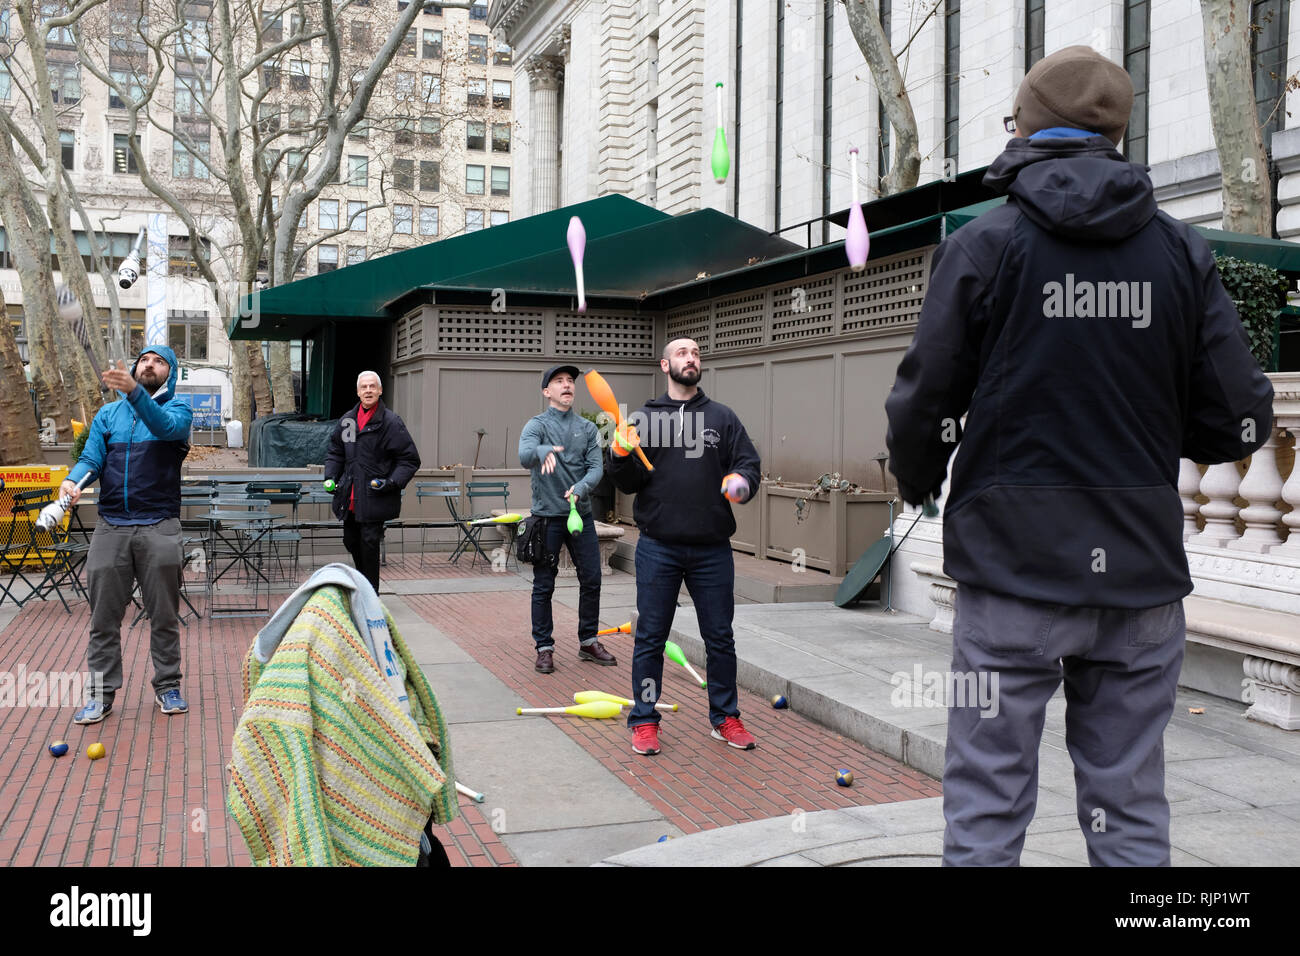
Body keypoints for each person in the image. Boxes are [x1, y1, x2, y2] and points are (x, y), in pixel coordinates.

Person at [884, 46, 1275, 866]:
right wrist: (1163, 438)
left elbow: (922, 400)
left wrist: (917, 482)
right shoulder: (1182, 254)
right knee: (1129, 809)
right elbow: (1240, 417)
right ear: (1116, 135)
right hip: (1137, 569)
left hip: (1009, 574)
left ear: (1024, 130)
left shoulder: (985, 247)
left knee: (987, 804)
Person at [607, 338, 762, 756]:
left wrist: (742, 482)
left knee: (720, 639)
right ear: (665, 364)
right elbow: (627, 482)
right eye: (681, 353)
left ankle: (725, 718)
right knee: (651, 638)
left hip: (712, 548)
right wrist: (619, 454)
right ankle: (643, 719)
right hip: (658, 546)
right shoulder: (644, 418)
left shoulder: (722, 418)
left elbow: (747, 463)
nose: (690, 358)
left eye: (695, 353)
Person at [64, 347, 193, 724]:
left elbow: (164, 428)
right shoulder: (107, 415)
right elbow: (91, 460)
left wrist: (134, 392)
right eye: (144, 359)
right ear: (136, 366)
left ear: (170, 372)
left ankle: (168, 686)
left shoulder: (178, 411)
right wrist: (73, 482)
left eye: (159, 361)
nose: (149, 364)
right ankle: (101, 694)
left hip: (160, 526)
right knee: (103, 619)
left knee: (164, 616)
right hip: (110, 528)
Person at [517, 365, 615, 674]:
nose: (566, 385)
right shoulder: (536, 425)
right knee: (544, 585)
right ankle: (544, 648)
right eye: (559, 381)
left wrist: (583, 487)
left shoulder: (587, 429)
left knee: (592, 579)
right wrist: (543, 451)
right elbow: (524, 455)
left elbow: (596, 467)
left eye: (570, 381)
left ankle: (588, 641)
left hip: (581, 517)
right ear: (547, 392)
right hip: (547, 519)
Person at [323, 371, 421, 590]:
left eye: (372, 386)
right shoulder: (348, 421)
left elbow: (409, 460)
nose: (368, 390)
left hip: (375, 494)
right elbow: (336, 453)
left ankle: (370, 595)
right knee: (351, 540)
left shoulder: (391, 422)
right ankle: (363, 583)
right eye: (364, 387)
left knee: (369, 543)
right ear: (358, 392)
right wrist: (330, 476)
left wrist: (391, 482)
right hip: (350, 495)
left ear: (380, 390)